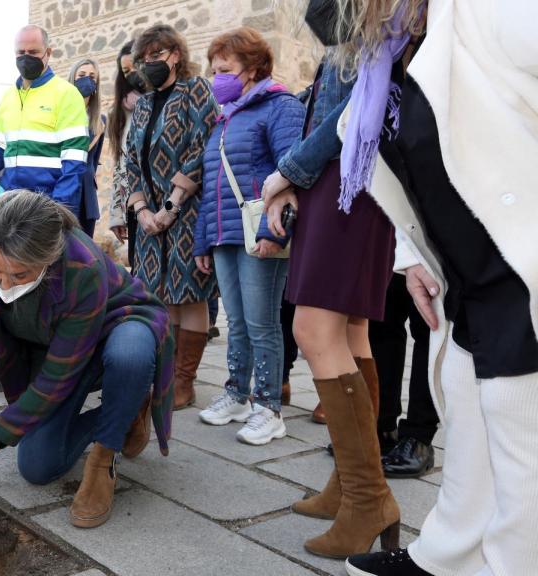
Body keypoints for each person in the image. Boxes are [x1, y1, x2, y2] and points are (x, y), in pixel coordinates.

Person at [306, 1, 538, 574]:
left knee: (517, 420)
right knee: (465, 402)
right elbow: (413, 173)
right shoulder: (390, 58)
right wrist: (414, 258)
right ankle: (449, 552)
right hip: (463, 272)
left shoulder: (496, 14)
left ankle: (514, 562)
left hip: (518, 265)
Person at [0, 190, 174, 529]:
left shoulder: (81, 266)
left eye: (19, 276)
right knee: (38, 466)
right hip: (59, 342)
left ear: (48, 259)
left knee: (129, 354)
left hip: (117, 326)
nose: (4, 284)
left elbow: (56, 379)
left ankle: (104, 456)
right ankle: (127, 409)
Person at [258, 2, 401, 558]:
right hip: (365, 188)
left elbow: (337, 121)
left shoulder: (365, 27)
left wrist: (283, 175)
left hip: (346, 189)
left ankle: (368, 497)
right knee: (351, 333)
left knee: (315, 333)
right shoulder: (381, 28)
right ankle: (352, 483)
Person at [193, 27, 305, 445]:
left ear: (254, 68)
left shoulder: (281, 107)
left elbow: (291, 174)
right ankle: (237, 394)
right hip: (225, 234)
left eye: (225, 69)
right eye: (213, 69)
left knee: (263, 325)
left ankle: (268, 407)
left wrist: (273, 231)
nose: (216, 76)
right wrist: (206, 240)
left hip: (261, 231)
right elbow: (213, 183)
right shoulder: (226, 117)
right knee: (236, 321)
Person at [124, 24, 217, 410]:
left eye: (158, 55)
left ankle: (184, 381)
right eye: (145, 58)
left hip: (188, 210)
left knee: (190, 296)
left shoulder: (196, 91)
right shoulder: (143, 103)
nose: (152, 63)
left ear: (176, 55)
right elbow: (131, 158)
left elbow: (202, 146)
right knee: (160, 297)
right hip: (149, 219)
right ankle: (164, 374)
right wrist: (143, 209)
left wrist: (171, 206)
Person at [0, 26, 89, 220]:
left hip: (46, 207)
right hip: (9, 205)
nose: (26, 57)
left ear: (48, 53)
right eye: (21, 53)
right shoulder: (8, 98)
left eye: (33, 52)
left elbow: (74, 162)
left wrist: (60, 211)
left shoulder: (67, 94)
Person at [371, 274, 438, 478]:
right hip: (392, 243)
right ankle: (383, 426)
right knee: (381, 319)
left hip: (432, 247)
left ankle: (420, 438)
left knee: (428, 327)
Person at [108, 41, 145, 269]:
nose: (132, 75)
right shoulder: (121, 112)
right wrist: (116, 213)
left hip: (166, 203)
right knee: (139, 270)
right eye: (126, 72)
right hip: (133, 203)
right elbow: (119, 164)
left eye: (135, 67)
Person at [68, 59, 106, 238]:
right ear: (72, 79)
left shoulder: (100, 122)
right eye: (81, 75)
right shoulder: (63, 115)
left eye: (92, 77)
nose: (87, 80)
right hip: (65, 190)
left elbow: (93, 159)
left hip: (87, 197)